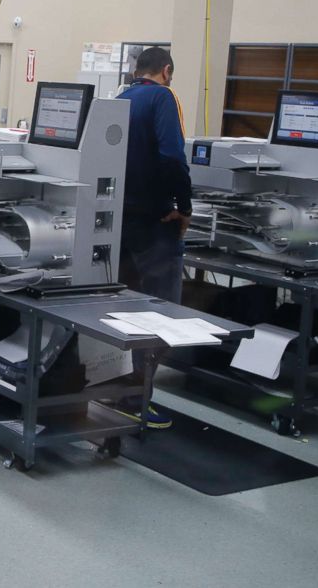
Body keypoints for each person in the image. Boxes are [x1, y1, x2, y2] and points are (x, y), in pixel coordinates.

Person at [115, 46, 192, 429]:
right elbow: (173, 157)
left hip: (120, 225)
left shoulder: (120, 99)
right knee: (162, 314)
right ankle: (136, 398)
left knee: (123, 313)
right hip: (156, 221)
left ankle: (117, 389)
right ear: (165, 70)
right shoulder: (163, 98)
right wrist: (185, 205)